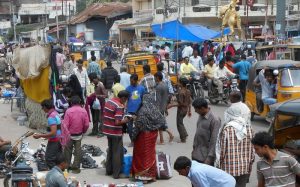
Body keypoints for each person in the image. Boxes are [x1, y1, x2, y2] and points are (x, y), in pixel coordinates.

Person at [215, 92, 254, 187]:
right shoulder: (249, 129)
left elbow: (222, 151)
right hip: (244, 167)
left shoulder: (227, 129)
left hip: (229, 168)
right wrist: (250, 163)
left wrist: (218, 165)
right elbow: (252, 151)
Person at [131, 94, 164, 183]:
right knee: (151, 154)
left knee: (142, 155)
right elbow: (162, 121)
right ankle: (151, 175)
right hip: (153, 135)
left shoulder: (142, 110)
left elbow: (139, 125)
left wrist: (133, 137)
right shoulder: (156, 110)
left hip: (144, 136)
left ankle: (144, 177)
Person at [102, 90, 131, 179]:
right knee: (117, 153)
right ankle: (116, 174)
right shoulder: (119, 106)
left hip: (107, 130)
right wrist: (126, 120)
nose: (125, 102)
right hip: (115, 132)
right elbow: (117, 122)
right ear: (123, 98)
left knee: (110, 150)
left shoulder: (109, 101)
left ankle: (108, 170)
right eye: (126, 100)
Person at [33, 99, 62, 169]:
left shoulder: (51, 117)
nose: (42, 109)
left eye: (42, 107)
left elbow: (53, 133)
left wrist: (40, 136)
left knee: (49, 159)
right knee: (57, 158)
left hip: (55, 140)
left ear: (45, 107)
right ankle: (60, 173)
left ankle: (56, 174)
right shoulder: (55, 113)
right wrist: (47, 136)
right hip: (60, 138)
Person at [63, 96, 89, 174]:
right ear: (79, 102)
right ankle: (76, 167)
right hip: (79, 134)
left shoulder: (68, 111)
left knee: (67, 151)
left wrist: (65, 134)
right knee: (78, 151)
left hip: (69, 134)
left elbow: (65, 125)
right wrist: (83, 131)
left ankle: (67, 166)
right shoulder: (83, 111)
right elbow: (86, 124)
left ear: (71, 102)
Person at [192, 98, 221, 165]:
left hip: (205, 158)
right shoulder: (201, 115)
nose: (195, 111)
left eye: (196, 109)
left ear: (202, 108)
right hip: (196, 154)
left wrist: (209, 158)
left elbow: (214, 140)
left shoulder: (215, 120)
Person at [168, 77, 192, 143]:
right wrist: (189, 111)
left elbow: (180, 103)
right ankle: (184, 135)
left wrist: (171, 105)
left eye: (179, 82)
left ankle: (183, 138)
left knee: (179, 124)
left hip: (181, 110)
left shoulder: (181, 92)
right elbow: (190, 101)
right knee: (181, 123)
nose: (178, 83)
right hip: (186, 109)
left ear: (181, 83)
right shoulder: (188, 91)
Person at [154, 72, 174, 144]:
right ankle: (162, 139)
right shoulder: (165, 85)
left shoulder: (158, 87)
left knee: (160, 124)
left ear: (158, 78)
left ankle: (167, 137)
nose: (154, 78)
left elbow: (158, 99)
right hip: (164, 107)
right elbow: (167, 98)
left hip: (159, 108)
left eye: (155, 77)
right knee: (160, 123)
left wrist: (156, 109)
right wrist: (165, 108)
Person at [126, 74, 146, 141]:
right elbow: (126, 99)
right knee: (129, 127)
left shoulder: (142, 88)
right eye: (130, 81)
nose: (131, 82)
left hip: (139, 111)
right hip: (130, 110)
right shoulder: (128, 88)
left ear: (136, 81)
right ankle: (132, 140)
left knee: (139, 126)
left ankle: (138, 140)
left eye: (132, 81)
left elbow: (144, 99)